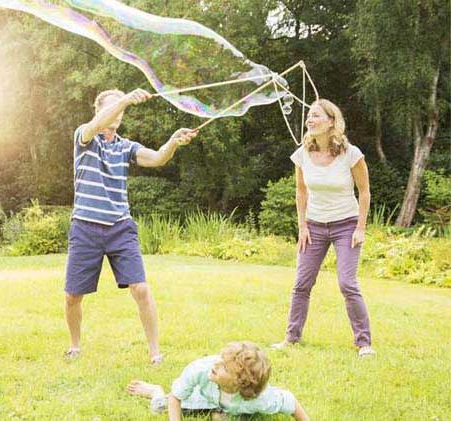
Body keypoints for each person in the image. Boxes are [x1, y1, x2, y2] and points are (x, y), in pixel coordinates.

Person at [64, 88, 198, 364]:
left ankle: (155, 352)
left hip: (120, 227)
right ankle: (75, 345)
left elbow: (158, 158)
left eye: (121, 109)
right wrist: (124, 99)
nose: (117, 112)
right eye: (112, 107)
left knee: (141, 288)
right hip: (85, 226)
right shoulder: (85, 136)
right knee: (73, 295)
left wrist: (173, 141)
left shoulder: (127, 147)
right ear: (99, 110)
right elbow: (95, 126)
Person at [271, 99, 375, 357]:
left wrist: (360, 227)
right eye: (309, 115)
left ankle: (364, 344)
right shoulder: (302, 154)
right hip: (314, 226)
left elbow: (364, 192)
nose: (310, 120)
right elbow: (300, 191)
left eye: (316, 115)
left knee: (347, 284)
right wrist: (302, 226)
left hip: (346, 225)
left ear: (331, 121)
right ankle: (291, 338)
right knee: (301, 284)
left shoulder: (351, 153)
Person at [127, 341, 309, 420]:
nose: (216, 363)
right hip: (201, 397)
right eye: (221, 358)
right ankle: (155, 391)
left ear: (241, 383)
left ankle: (221, 412)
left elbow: (291, 402)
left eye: (225, 367)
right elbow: (176, 397)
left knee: (242, 416)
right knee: (160, 406)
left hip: (234, 404)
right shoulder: (202, 369)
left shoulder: (262, 399)